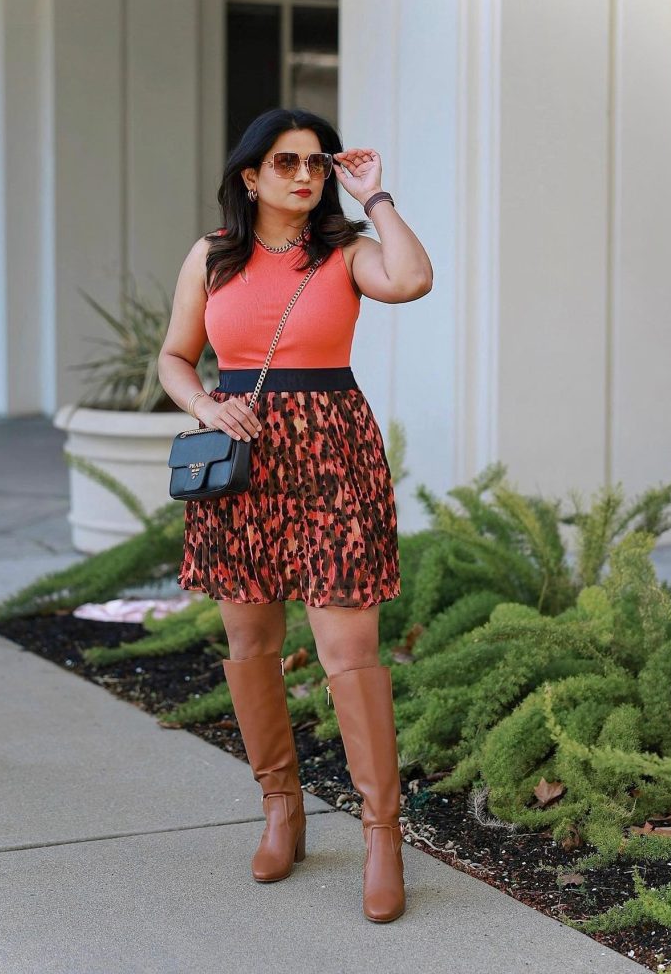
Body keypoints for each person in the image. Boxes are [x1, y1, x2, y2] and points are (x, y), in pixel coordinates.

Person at [158, 107, 433, 923]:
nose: (305, 175)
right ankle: (281, 809)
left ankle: (382, 836)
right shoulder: (212, 256)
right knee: (251, 642)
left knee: (349, 650)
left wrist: (374, 196)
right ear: (251, 176)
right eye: (286, 161)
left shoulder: (343, 251)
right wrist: (205, 404)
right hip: (240, 466)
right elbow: (174, 358)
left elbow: (411, 280)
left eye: (317, 162)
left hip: (333, 458)